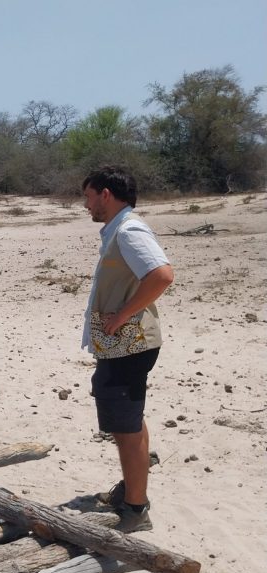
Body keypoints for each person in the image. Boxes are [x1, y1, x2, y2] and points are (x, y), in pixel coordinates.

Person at [82, 166, 174, 533]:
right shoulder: (119, 229)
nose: (86, 204)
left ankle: (136, 509)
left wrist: (121, 315)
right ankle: (131, 490)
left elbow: (162, 275)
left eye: (89, 196)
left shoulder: (129, 229)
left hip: (130, 344)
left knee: (126, 426)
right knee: (128, 421)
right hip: (125, 344)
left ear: (106, 194)